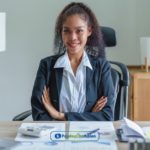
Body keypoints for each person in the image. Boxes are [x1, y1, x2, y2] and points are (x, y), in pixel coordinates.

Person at [31, 2, 115, 121]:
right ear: (61, 32)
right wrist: (90, 116)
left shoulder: (102, 67)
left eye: (79, 31)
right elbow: (39, 114)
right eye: (67, 31)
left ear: (89, 30)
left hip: (91, 135)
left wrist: (59, 115)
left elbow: (107, 116)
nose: (73, 37)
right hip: (55, 135)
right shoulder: (47, 66)